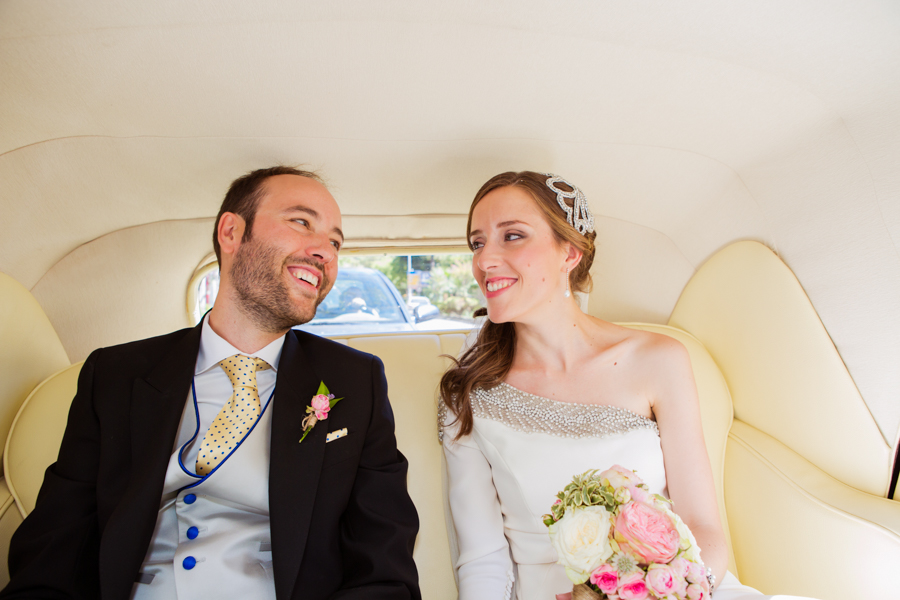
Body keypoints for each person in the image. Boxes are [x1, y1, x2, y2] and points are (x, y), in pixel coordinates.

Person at [2, 166, 421, 600]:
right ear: (231, 232)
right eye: (301, 222)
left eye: (335, 242)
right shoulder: (115, 375)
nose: (325, 253)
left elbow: (384, 565)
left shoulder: (355, 381)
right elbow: (53, 551)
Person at [439, 171, 816, 600]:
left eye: (512, 236)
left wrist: (668, 593)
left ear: (570, 253)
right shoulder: (467, 391)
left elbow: (705, 531)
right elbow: (481, 558)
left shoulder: (661, 360)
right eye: (477, 242)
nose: (485, 260)